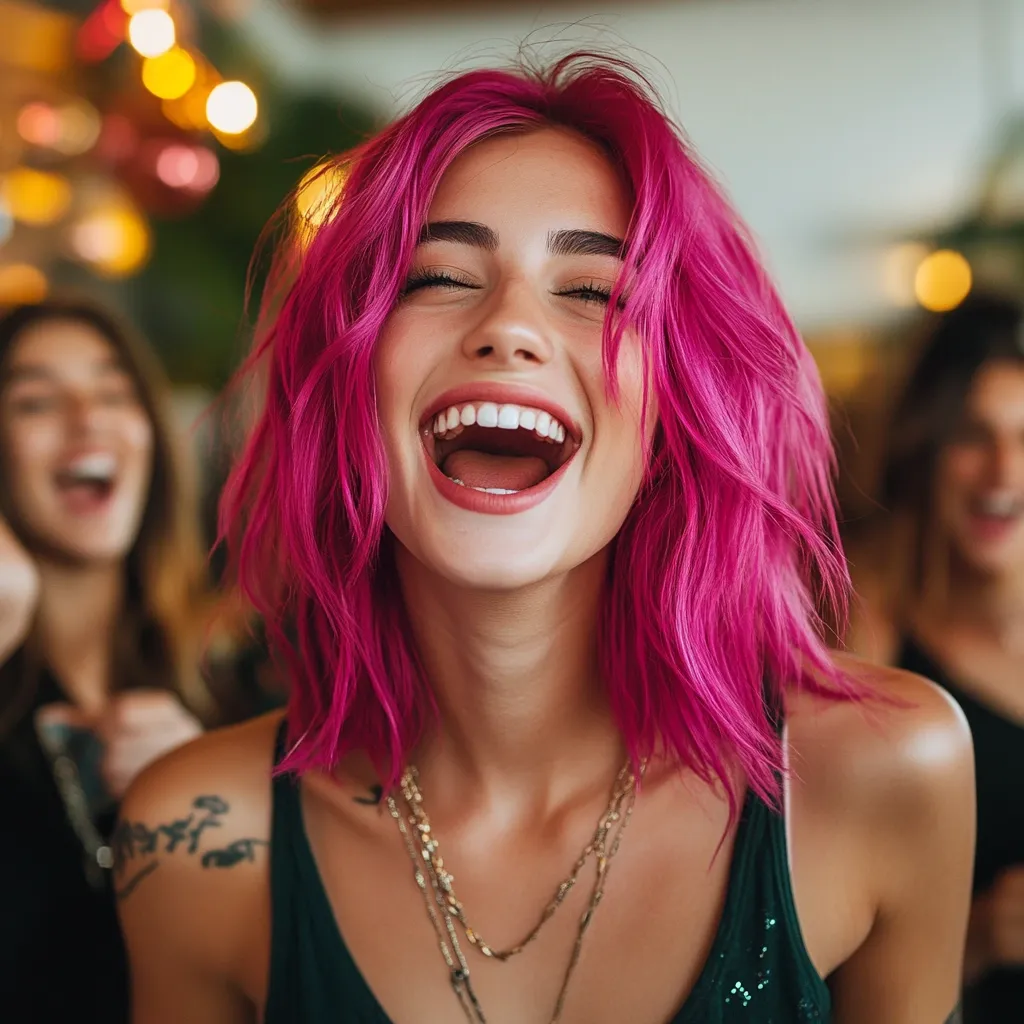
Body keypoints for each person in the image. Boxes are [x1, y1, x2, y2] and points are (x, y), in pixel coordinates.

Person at [117, 55, 974, 1024]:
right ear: (349, 382)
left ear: (676, 408)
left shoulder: (883, 771)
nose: (510, 328)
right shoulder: (198, 843)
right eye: (438, 277)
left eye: (594, 292)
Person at [0, 299, 211, 1023]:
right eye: (35, 402)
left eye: (115, 393)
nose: (88, 420)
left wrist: (214, 801)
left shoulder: (238, 684)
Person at [847, 292, 1024, 1022]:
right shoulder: (869, 637)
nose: (1003, 471)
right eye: (973, 436)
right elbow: (813, 936)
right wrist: (979, 936)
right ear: (926, 448)